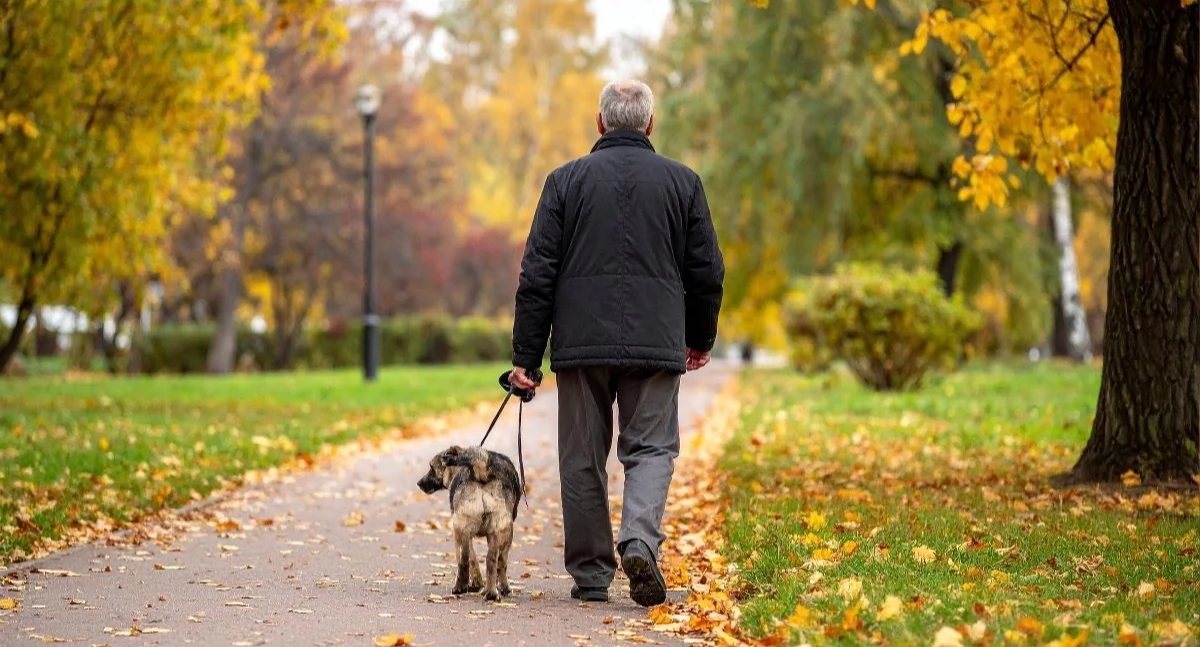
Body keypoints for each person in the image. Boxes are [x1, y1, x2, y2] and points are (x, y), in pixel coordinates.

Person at [507, 79, 725, 607]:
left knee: (581, 456)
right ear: (649, 124)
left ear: (601, 124)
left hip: (581, 344)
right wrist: (698, 337)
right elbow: (707, 270)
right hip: (655, 340)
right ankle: (640, 542)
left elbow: (537, 273)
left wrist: (526, 359)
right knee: (651, 448)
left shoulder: (564, 182)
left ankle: (591, 575)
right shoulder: (683, 182)